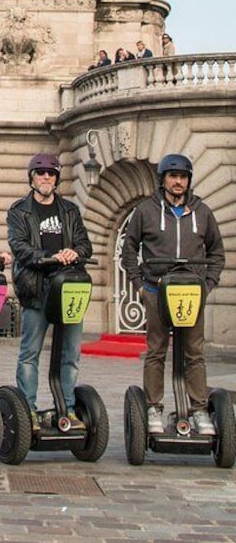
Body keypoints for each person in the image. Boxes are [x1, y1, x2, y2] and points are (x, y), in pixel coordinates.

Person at [121, 154, 224, 435]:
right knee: (156, 351)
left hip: (191, 292)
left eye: (182, 177)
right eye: (172, 176)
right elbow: (129, 250)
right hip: (156, 289)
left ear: (188, 180)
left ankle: (198, 409)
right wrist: (140, 286)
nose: (178, 182)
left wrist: (208, 284)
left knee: (194, 353)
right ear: (163, 179)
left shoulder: (202, 211)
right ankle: (153, 407)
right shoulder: (146, 210)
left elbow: (217, 252)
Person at [6, 153, 93, 432]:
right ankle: (28, 410)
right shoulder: (19, 210)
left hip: (68, 289)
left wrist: (74, 252)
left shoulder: (69, 210)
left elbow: (85, 245)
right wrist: (49, 256)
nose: (46, 178)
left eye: (51, 174)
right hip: (37, 289)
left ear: (57, 179)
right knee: (30, 352)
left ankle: (66, 407)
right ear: (32, 177)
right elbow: (19, 246)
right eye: (41, 173)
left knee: (71, 353)